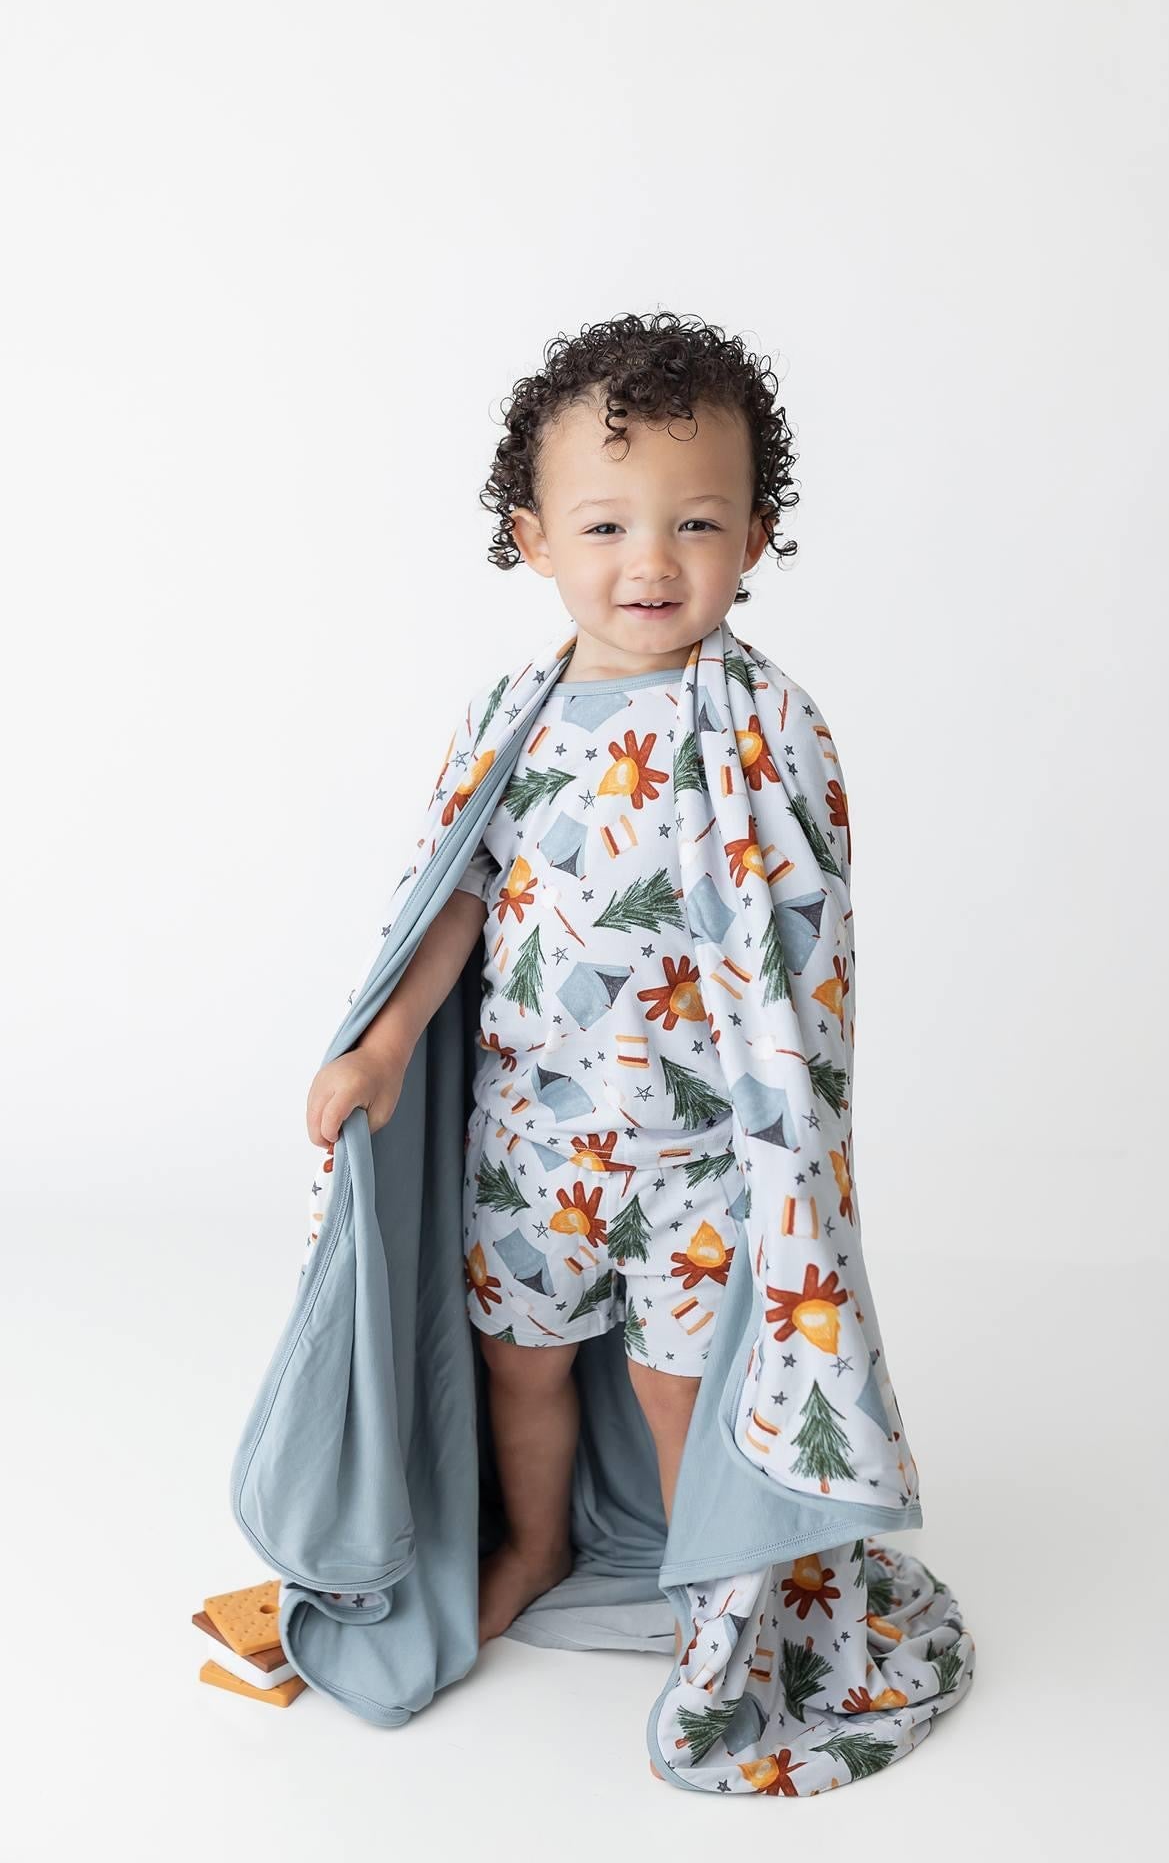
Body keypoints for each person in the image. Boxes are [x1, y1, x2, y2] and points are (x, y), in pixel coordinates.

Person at [305, 310, 818, 1655]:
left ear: (754, 537)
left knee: (680, 1385)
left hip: (703, 1146)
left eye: (695, 523)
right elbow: (457, 894)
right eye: (604, 525)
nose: (650, 560)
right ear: (533, 540)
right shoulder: (510, 722)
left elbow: (802, 944)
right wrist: (386, 1045)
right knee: (519, 1363)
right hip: (535, 1137)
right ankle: (533, 1545)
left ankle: (713, 1597)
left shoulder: (763, 722)